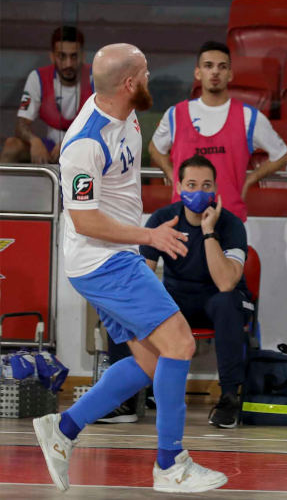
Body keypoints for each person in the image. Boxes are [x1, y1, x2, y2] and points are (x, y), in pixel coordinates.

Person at [32, 43, 227, 493]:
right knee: (179, 344)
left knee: (149, 360)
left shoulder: (128, 111)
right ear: (129, 84)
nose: (151, 77)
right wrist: (150, 236)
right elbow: (84, 219)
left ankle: (62, 430)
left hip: (111, 257)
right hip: (103, 260)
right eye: (145, 72)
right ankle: (170, 465)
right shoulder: (84, 143)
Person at [140, 154, 253, 429]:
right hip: (178, 301)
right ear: (178, 188)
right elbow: (143, 274)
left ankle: (228, 398)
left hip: (220, 301)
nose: (198, 192)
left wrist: (208, 231)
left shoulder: (231, 224)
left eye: (206, 185)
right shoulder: (163, 218)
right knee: (132, 304)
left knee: (227, 302)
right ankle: (131, 395)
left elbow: (226, 282)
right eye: (191, 185)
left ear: (215, 190)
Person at [149, 41, 287, 222]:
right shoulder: (175, 114)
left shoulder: (249, 117)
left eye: (222, 67)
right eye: (208, 66)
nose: (215, 72)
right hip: (183, 218)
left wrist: (251, 179)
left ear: (230, 74)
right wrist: (172, 173)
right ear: (198, 73)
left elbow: (283, 156)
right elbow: (155, 148)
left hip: (229, 218)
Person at [1, 26, 93, 164]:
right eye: (62, 56)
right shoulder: (38, 78)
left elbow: (105, 124)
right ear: (52, 56)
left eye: (74, 56)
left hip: (84, 145)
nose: (68, 63)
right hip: (50, 147)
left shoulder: (95, 77)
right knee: (11, 146)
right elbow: (21, 125)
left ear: (83, 56)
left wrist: (72, 140)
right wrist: (34, 141)